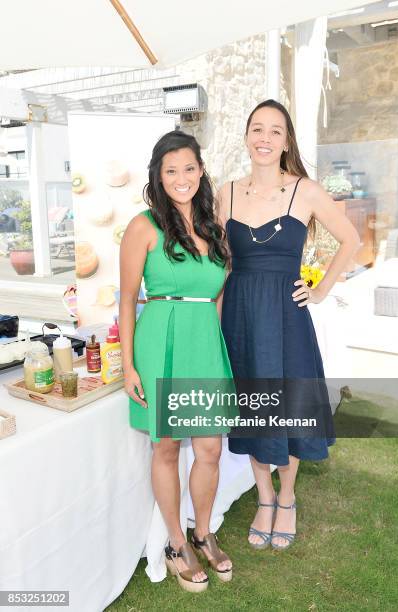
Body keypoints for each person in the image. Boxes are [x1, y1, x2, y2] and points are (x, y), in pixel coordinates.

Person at [217, 100, 360, 551]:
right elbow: (222, 264)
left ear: (286, 141)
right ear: (246, 136)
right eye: (256, 128)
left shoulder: (307, 191)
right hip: (240, 314)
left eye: (274, 131)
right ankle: (264, 498)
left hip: (287, 315)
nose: (264, 138)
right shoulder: (226, 193)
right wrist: (215, 319)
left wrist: (318, 291)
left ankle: (289, 497)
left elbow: (351, 239)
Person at [119, 130, 233, 592]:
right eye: (170, 171)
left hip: (204, 342)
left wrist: (217, 344)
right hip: (159, 343)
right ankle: (173, 543)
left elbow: (218, 294)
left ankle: (202, 532)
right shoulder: (143, 226)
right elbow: (127, 301)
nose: (181, 178)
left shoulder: (214, 227)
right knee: (166, 447)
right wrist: (129, 366)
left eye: (189, 168)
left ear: (201, 171)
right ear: (158, 176)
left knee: (209, 448)